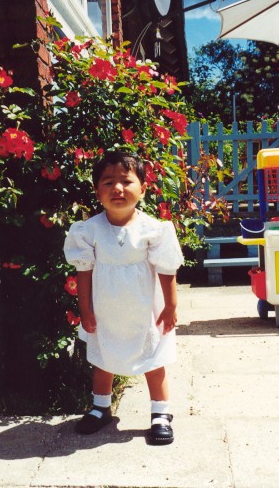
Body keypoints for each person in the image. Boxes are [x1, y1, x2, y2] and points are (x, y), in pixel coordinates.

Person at [64, 150, 183, 445]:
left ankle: (160, 413)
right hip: (106, 309)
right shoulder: (89, 230)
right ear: (97, 191)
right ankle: (100, 406)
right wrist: (86, 310)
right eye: (108, 182)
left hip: (145, 310)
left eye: (126, 181)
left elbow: (167, 269)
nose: (117, 188)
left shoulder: (153, 230)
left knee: (153, 359)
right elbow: (84, 271)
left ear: (142, 189)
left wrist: (170, 306)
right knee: (103, 358)